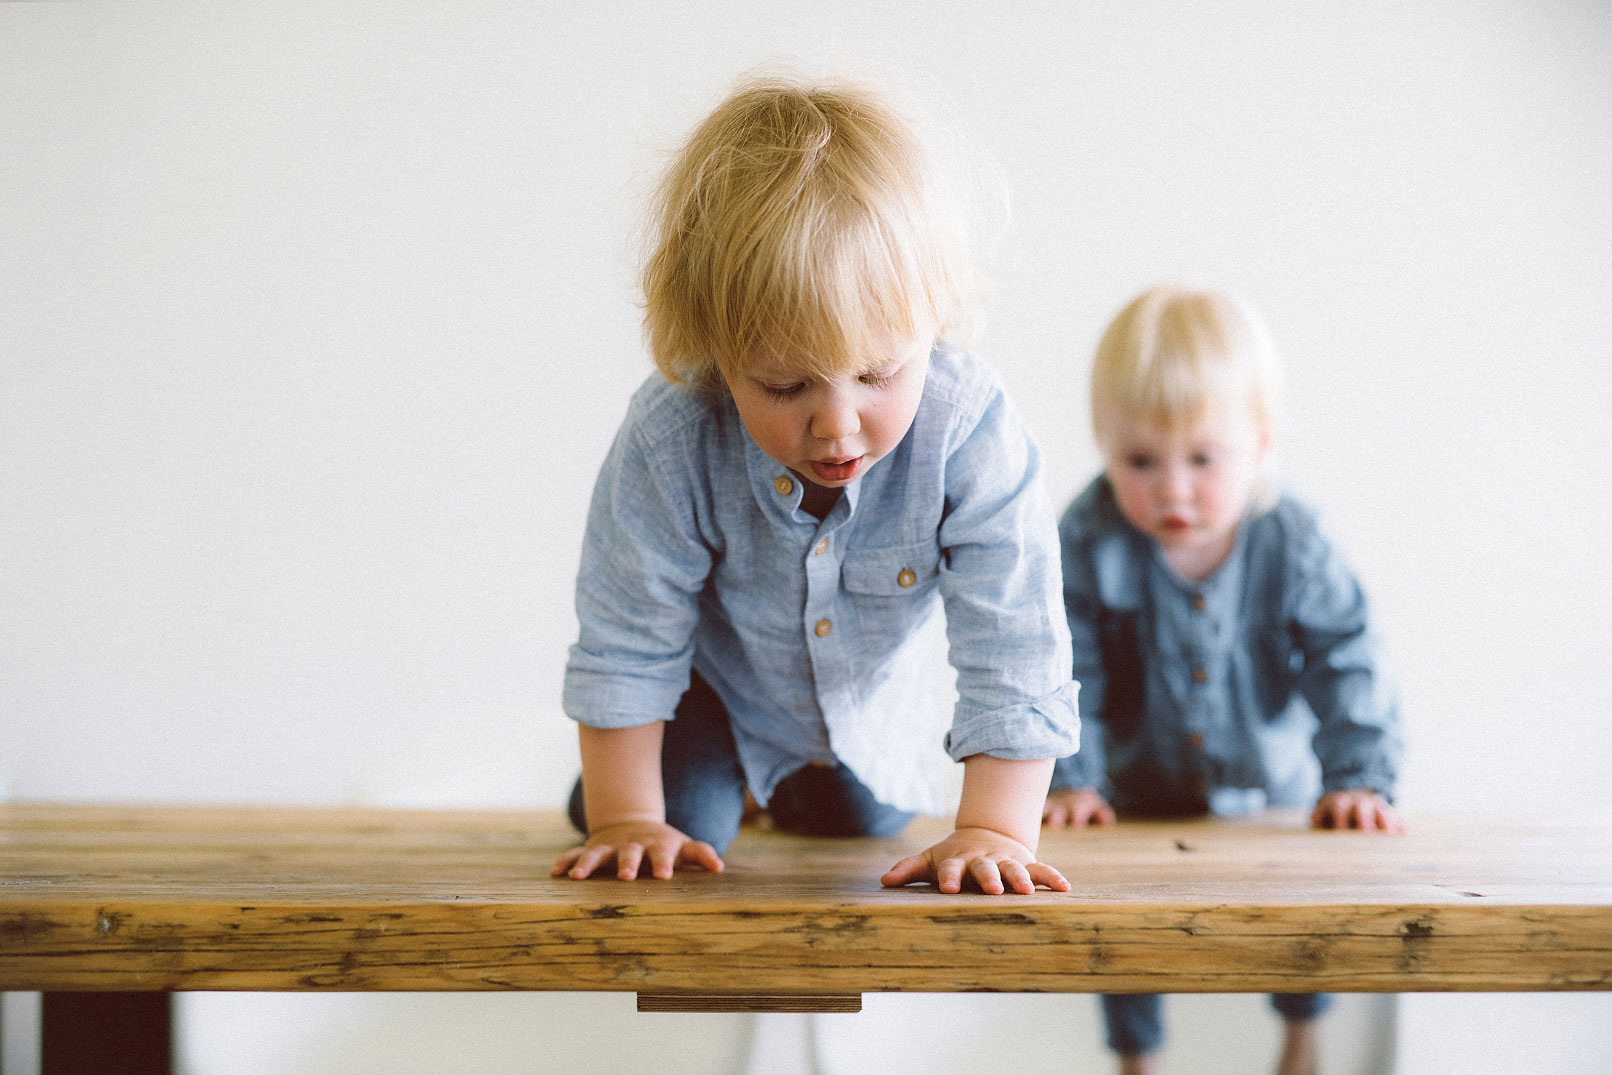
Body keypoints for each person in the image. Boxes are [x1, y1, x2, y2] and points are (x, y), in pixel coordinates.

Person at [551, 70, 1080, 898]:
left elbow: (1015, 638)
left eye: (878, 373)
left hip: (864, 711)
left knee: (857, 819)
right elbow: (626, 639)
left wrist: (991, 829)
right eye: (785, 386)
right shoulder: (672, 435)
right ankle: (704, 783)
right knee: (681, 819)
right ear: (716, 356)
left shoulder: (970, 428)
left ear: (932, 321)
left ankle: (787, 789)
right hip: (714, 693)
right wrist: (627, 817)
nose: (837, 425)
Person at [1044, 285, 1404, 1075]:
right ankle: (1137, 1056)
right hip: (1132, 795)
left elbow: (1348, 656)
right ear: (1103, 445)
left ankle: (1301, 1036)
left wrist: (1359, 778)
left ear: (1259, 445)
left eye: (1204, 459)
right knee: (1121, 928)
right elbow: (1068, 666)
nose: (1173, 488)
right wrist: (1072, 779)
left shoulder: (1291, 537)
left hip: (1272, 786)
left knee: (1300, 919)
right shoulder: (1090, 534)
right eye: (1140, 460)